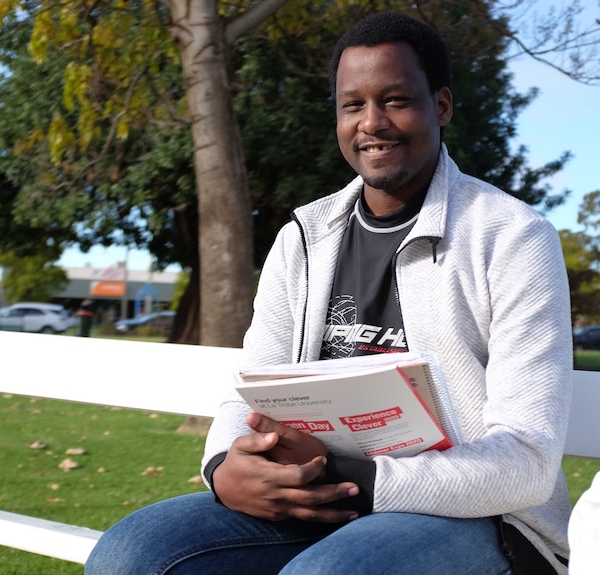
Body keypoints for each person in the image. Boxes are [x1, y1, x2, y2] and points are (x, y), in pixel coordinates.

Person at [85, 12, 572, 575]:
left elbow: (528, 460)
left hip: (480, 519)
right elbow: (250, 394)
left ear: (440, 106)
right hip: (319, 500)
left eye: (395, 100)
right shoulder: (303, 237)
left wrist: (356, 482)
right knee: (129, 555)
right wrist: (223, 466)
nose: (372, 123)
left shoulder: (512, 237)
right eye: (352, 105)